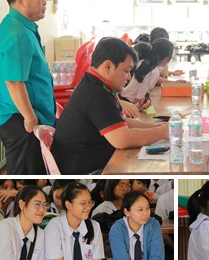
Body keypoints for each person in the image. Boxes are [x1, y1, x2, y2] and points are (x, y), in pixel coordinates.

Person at [52, 37, 169, 174]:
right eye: (126, 71)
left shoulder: (97, 85)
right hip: (84, 173)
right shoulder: (96, 94)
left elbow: (122, 123)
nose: (129, 77)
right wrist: (162, 132)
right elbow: (122, 139)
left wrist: (158, 127)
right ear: (108, 67)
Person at [0, 0, 55, 174]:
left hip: (26, 115)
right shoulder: (17, 32)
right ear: (21, 0)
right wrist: (30, 118)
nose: (45, 2)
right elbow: (13, 82)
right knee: (25, 177)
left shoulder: (20, 26)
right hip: (21, 118)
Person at [45, 182, 109, 260]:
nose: (88, 207)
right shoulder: (54, 227)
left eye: (90, 202)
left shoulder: (94, 226)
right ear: (68, 205)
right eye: (83, 203)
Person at [107, 191, 171, 260]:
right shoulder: (117, 229)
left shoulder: (153, 225)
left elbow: (157, 258)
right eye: (140, 209)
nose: (146, 213)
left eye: (148, 208)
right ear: (127, 212)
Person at [120, 38, 174, 110]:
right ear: (167, 58)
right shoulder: (154, 72)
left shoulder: (144, 62)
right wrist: (137, 107)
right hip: (130, 102)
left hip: (124, 97)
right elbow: (140, 95)